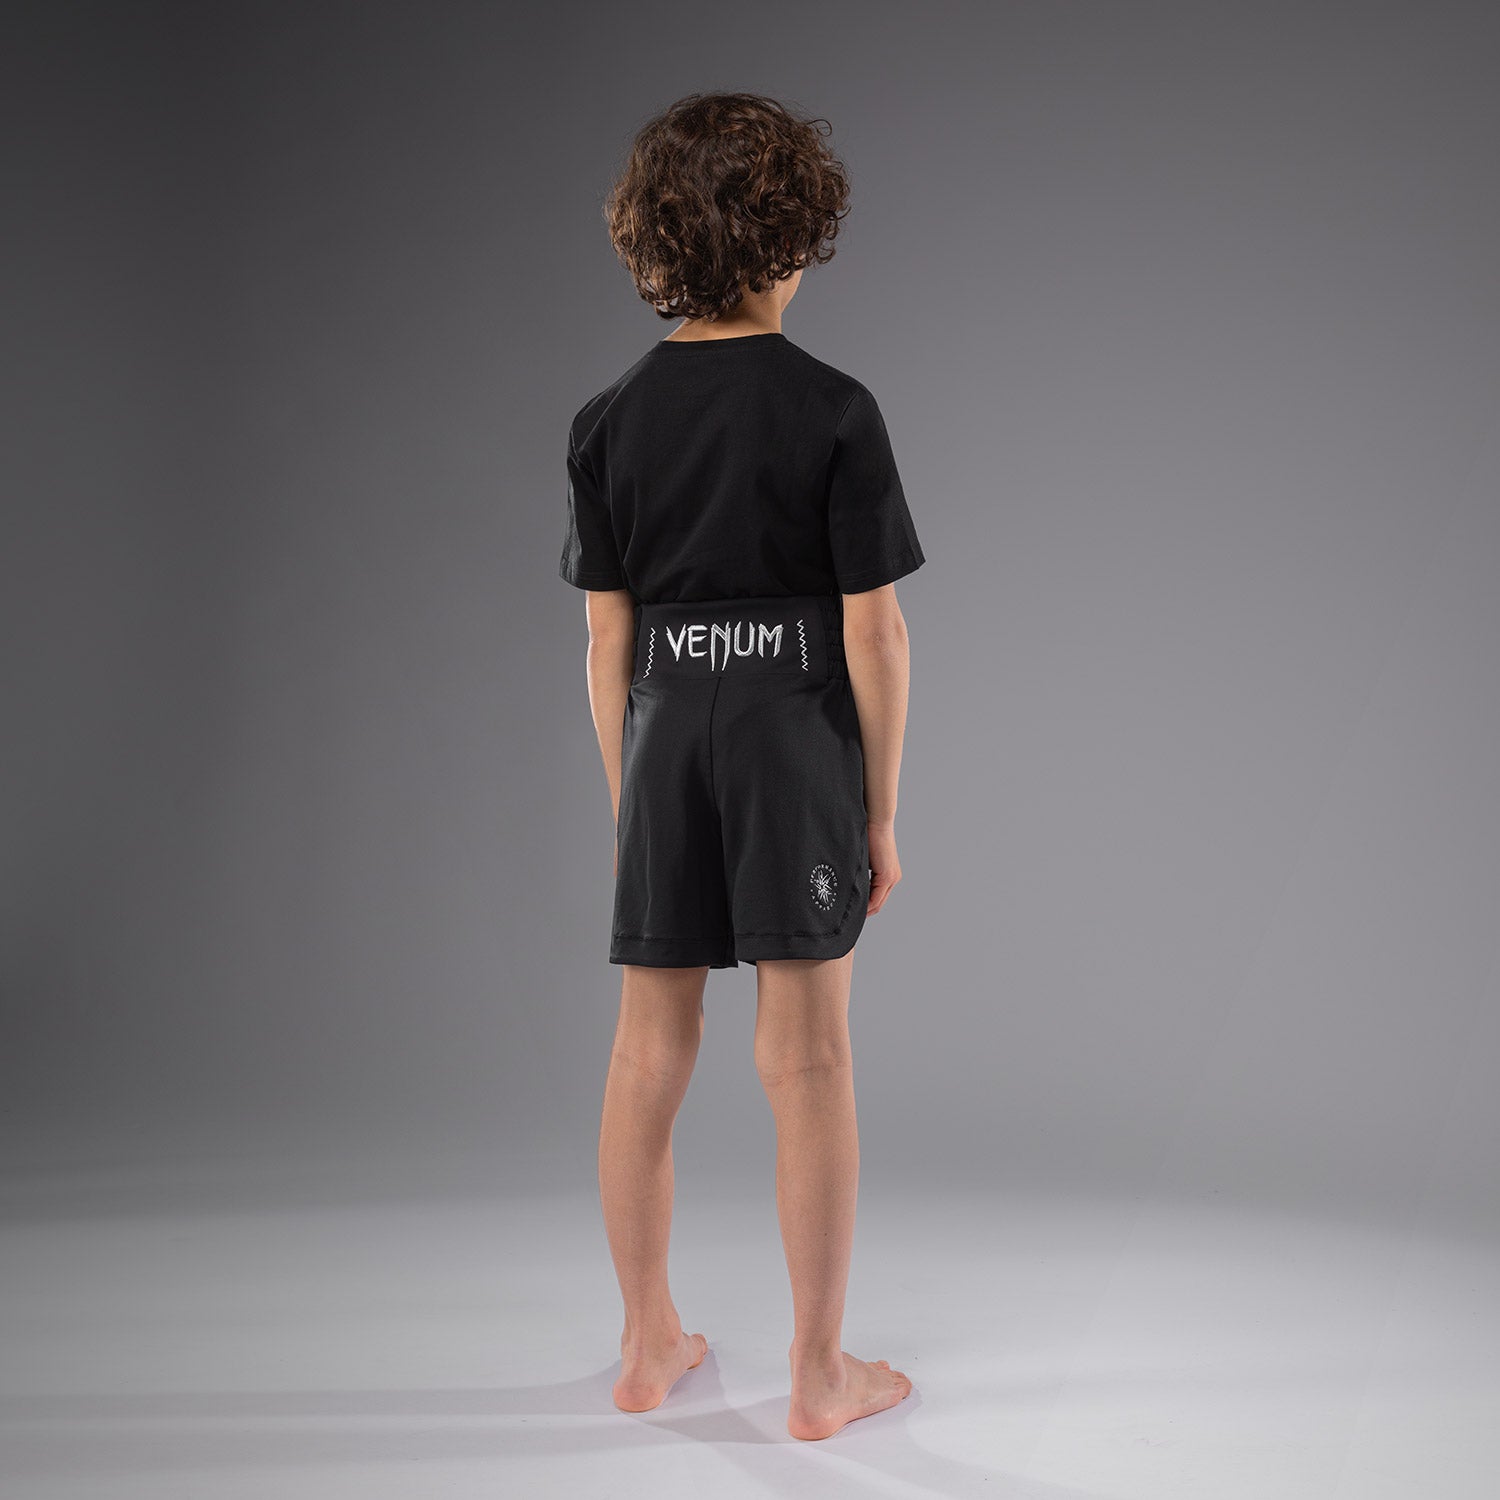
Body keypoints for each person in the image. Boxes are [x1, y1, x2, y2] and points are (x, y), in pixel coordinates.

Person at [559, 91, 924, 1441]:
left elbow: (607, 644)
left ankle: (646, 1342)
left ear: (654, 239)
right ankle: (819, 1374)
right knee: (807, 1059)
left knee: (646, 1047)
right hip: (790, 734)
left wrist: (631, 802)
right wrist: (878, 813)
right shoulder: (835, 410)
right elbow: (875, 634)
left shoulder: (608, 419)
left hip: (664, 731)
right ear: (791, 240)